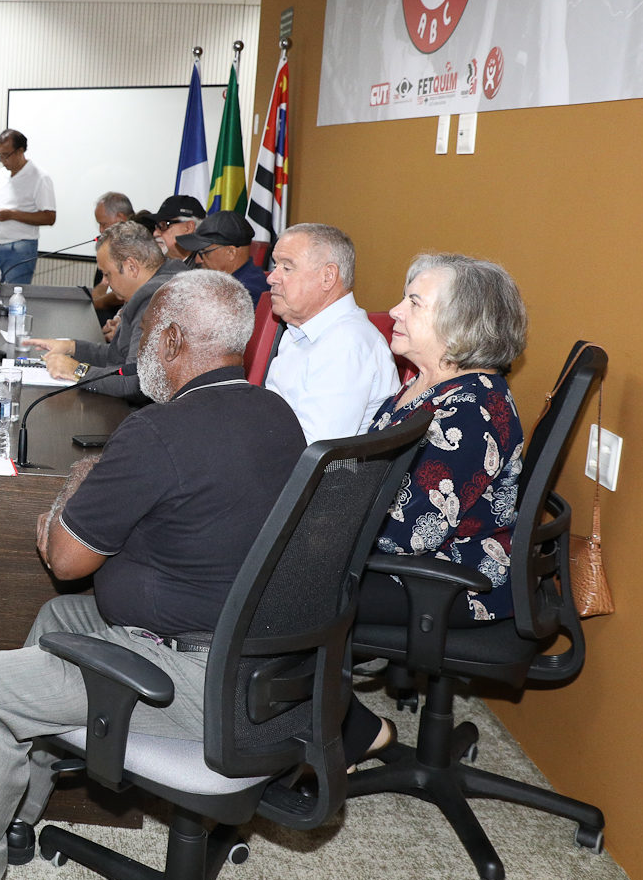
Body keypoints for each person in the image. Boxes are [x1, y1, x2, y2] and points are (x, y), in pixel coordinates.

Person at [0, 272, 306, 880]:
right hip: (266, 664)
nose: (139, 352)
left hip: (199, 679)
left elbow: (66, 556)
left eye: (149, 333)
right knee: (58, 620)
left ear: (175, 339)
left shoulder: (160, 432)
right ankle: (17, 815)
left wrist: (77, 487)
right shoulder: (274, 413)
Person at [337, 252, 530, 768]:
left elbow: (407, 535)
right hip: (402, 558)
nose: (395, 311)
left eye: (413, 302)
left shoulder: (469, 413)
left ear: (460, 326)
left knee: (285, 589)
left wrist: (311, 531)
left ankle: (351, 730)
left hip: (447, 581)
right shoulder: (425, 385)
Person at [263, 223, 400, 442]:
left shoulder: (346, 345)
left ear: (328, 277)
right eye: (276, 265)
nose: (272, 277)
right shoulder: (297, 330)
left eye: (287, 268)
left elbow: (314, 451)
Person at [23, 220, 179, 403]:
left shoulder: (156, 299)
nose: (105, 283)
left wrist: (77, 370)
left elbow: (134, 383)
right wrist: (72, 347)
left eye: (107, 274)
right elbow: (119, 358)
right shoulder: (159, 285)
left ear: (131, 266)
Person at [0, 129, 56, 285]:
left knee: (13, 298)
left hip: (20, 248)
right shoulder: (1, 175)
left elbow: (49, 217)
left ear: (20, 151)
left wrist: (11, 215)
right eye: (0, 156)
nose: (3, 160)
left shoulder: (40, 177)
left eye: (6, 155)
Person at [177, 210, 269, 302]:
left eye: (204, 252)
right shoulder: (228, 284)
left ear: (231, 252)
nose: (198, 260)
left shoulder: (243, 293)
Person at [87, 191, 134, 324]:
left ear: (120, 218)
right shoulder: (109, 247)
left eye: (103, 224)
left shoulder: (138, 246)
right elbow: (98, 290)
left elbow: (124, 295)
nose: (101, 230)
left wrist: (94, 304)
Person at [149, 194, 205, 264]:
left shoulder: (207, 267)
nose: (155, 233)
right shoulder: (154, 265)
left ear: (188, 228)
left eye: (164, 225)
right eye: (157, 226)